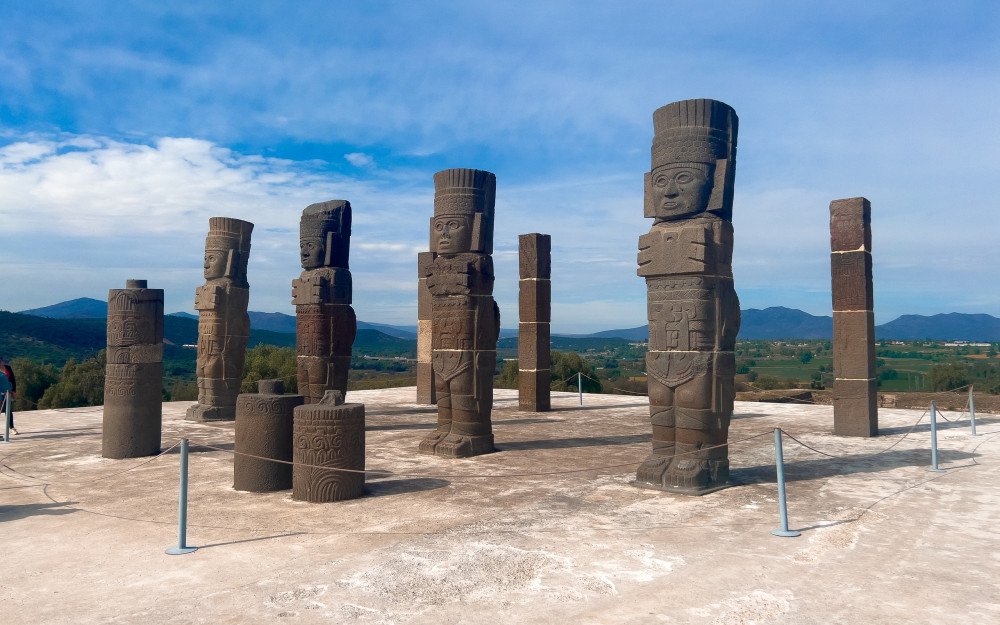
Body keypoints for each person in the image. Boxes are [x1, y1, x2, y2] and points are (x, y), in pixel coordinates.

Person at [0, 357, 14, 435]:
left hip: (5, 394)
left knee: (8, 410)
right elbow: (7, 386)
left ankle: (11, 427)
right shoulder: (2, 375)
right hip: (3, 394)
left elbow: (9, 383)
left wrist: (11, 391)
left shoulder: (3, 373)